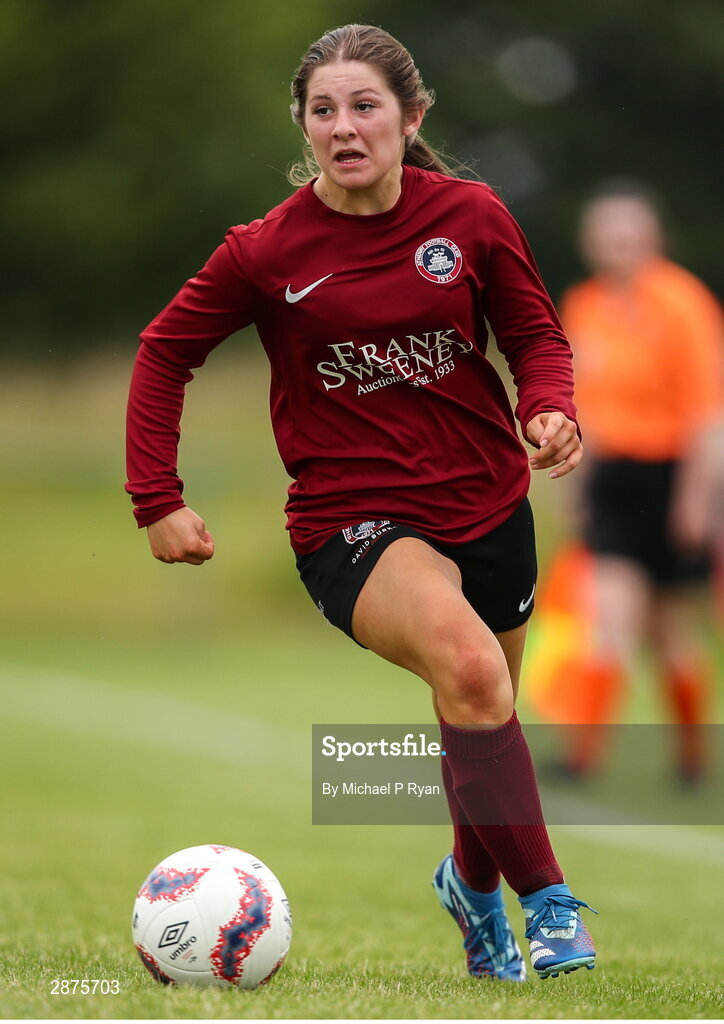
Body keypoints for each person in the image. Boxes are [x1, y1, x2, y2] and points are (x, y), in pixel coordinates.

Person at [125, 24, 597, 982]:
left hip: (490, 502)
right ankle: (549, 906)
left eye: (365, 106)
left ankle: (469, 885)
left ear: (410, 118)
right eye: (324, 110)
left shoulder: (470, 216)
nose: (344, 126)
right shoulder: (266, 251)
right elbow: (163, 352)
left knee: (482, 704)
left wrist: (548, 406)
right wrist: (157, 499)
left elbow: (536, 336)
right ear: (304, 128)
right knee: (471, 671)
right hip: (353, 519)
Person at [549, 182, 723, 779]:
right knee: (608, 620)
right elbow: (584, 406)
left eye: (631, 231)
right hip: (615, 483)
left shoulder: (684, 302)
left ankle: (694, 753)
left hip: (674, 478)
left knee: (670, 632)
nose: (619, 243)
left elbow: (707, 415)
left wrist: (696, 503)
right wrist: (577, 485)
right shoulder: (585, 305)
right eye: (607, 232)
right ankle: (582, 757)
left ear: (653, 238)